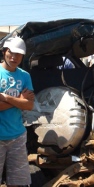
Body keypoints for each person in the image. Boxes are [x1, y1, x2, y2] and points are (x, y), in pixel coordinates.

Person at [0, 37, 34, 186]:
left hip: (17, 137)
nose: (14, 57)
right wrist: (19, 100)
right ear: (4, 52)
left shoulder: (25, 76)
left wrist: (5, 97)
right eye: (10, 52)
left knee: (19, 183)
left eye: (18, 54)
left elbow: (29, 105)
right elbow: (23, 103)